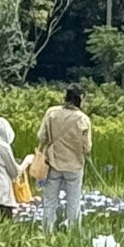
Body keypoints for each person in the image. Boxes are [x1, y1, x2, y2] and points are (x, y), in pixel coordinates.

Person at [36, 86, 92, 232]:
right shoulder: (83, 118)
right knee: (73, 203)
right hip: (74, 166)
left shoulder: (51, 113)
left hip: (53, 164)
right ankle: (74, 234)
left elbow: (42, 137)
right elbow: (87, 148)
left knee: (49, 202)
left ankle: (47, 233)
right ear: (80, 98)